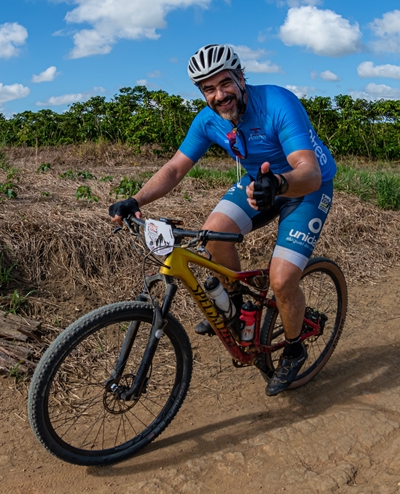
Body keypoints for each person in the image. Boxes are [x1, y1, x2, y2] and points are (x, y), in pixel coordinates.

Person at [109, 44, 337, 396]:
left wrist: (278, 183)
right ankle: (237, 307)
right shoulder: (208, 120)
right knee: (212, 233)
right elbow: (175, 168)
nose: (219, 95)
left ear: (241, 78)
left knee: (281, 279)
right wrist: (136, 200)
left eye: (225, 83)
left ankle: (294, 350)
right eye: (208, 89)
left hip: (305, 187)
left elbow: (309, 171)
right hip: (258, 182)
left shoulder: (277, 102)